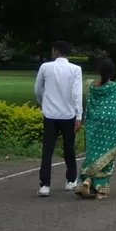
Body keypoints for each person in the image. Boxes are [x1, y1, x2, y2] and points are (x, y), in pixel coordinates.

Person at [34, 40, 83, 197]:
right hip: (68, 114)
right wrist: (79, 114)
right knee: (69, 148)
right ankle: (71, 180)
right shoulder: (76, 69)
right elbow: (77, 93)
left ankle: (45, 185)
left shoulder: (45, 67)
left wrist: (44, 103)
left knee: (47, 149)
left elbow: (37, 89)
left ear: (55, 52)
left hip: (50, 114)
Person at [76, 59, 116, 200]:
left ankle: (87, 180)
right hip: (111, 124)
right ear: (112, 72)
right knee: (107, 156)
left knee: (93, 153)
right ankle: (100, 190)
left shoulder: (91, 86)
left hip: (95, 123)